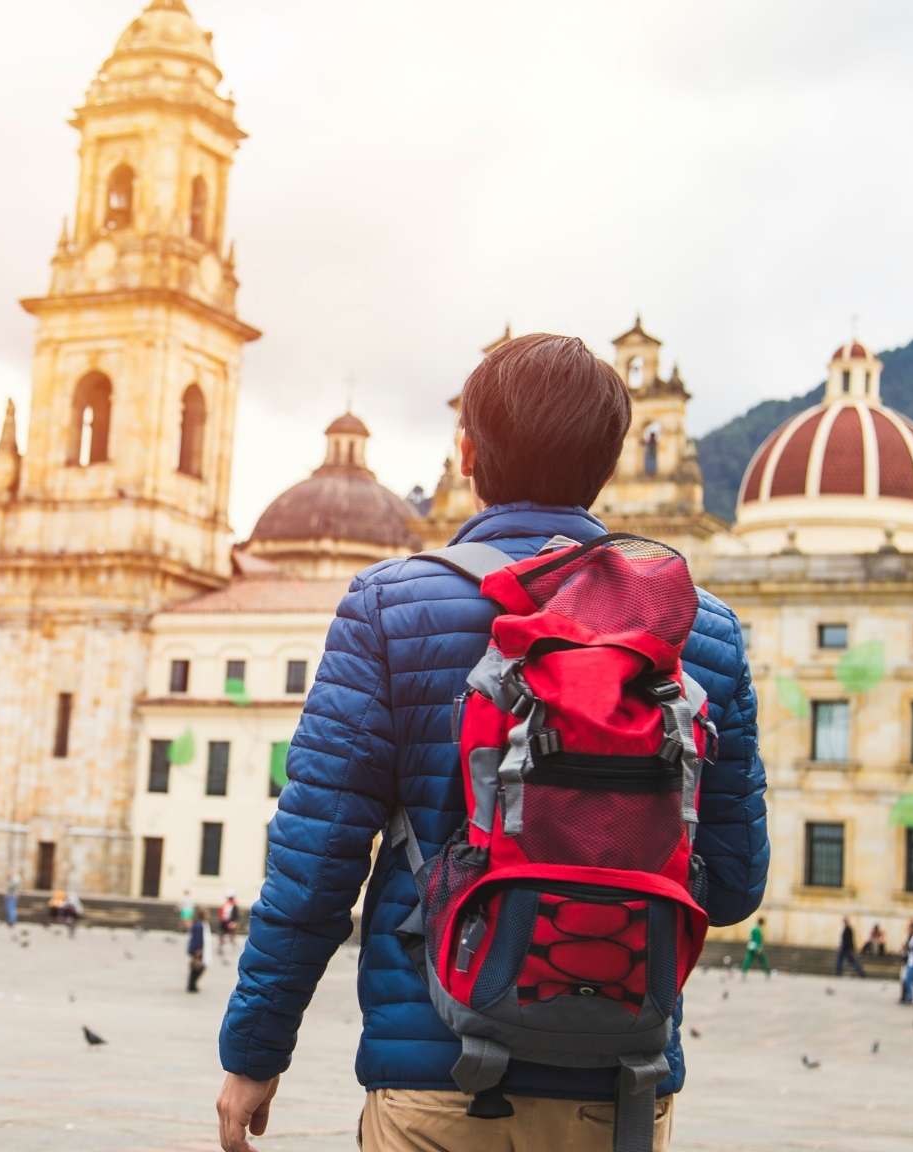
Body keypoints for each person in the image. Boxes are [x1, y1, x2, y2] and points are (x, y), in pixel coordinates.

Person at [216, 335, 768, 1152]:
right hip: (619, 1086)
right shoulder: (702, 629)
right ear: (609, 464)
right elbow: (731, 886)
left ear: (468, 452)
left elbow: (316, 857)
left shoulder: (385, 607)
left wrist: (255, 1050)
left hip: (435, 1073)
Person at [188, 907, 208, 993]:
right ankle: (192, 985)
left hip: (194, 948)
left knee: (195, 967)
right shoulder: (200, 925)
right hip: (197, 949)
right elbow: (198, 939)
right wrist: (198, 950)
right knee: (198, 967)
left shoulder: (199, 924)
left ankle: (192, 984)